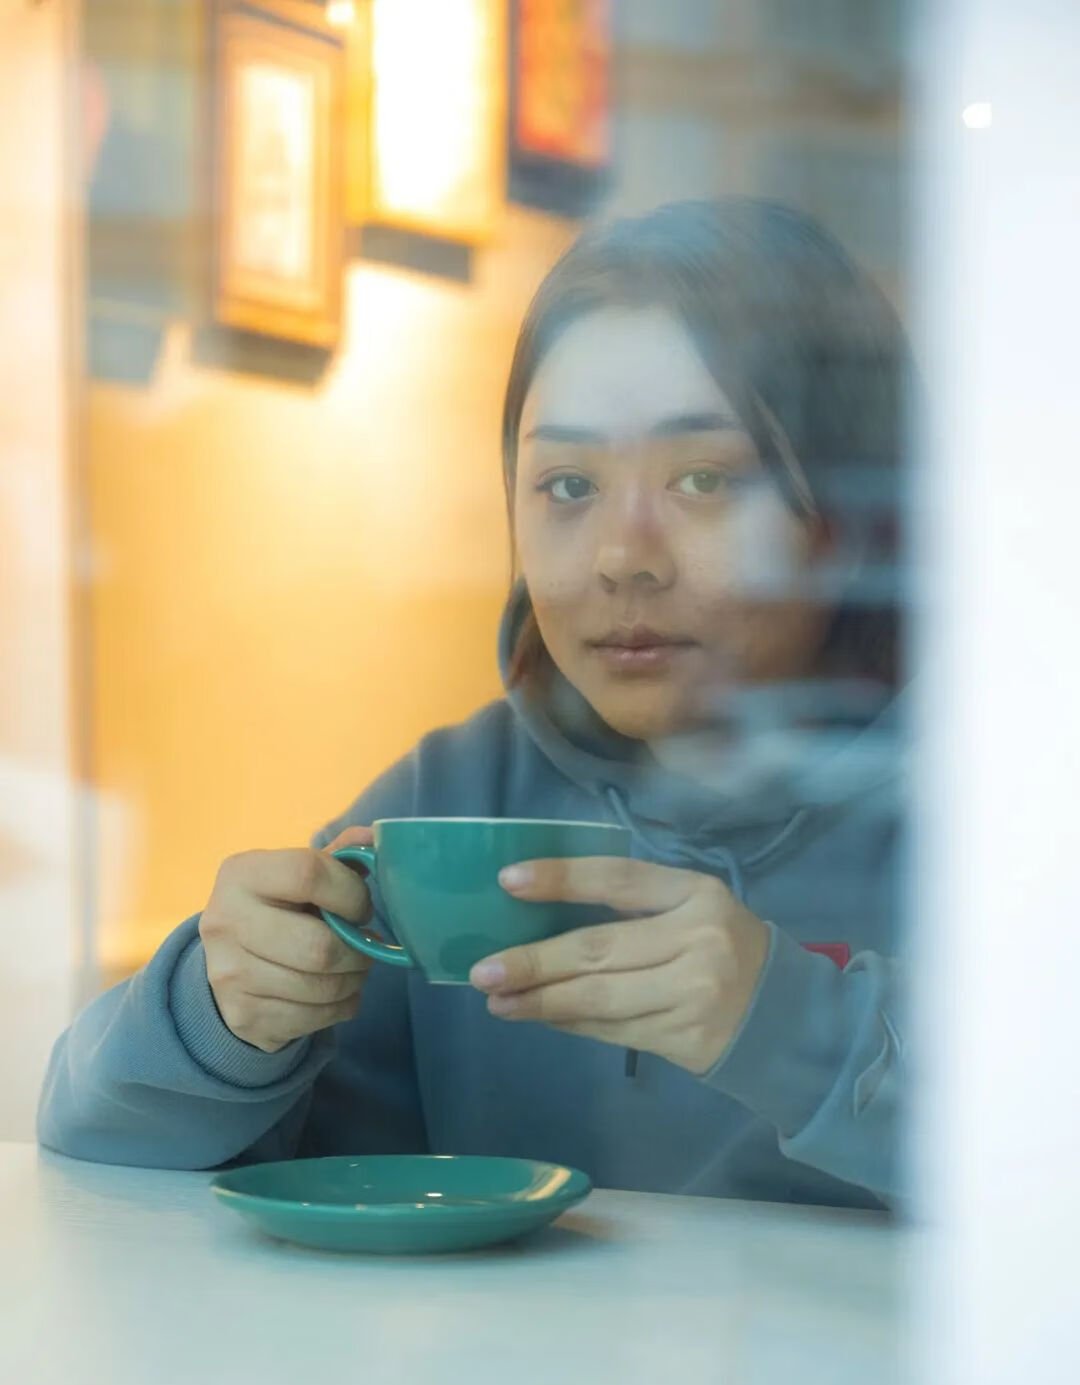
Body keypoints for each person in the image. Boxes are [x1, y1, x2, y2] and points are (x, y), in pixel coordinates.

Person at [38, 198, 909, 1208]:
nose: (624, 557)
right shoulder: (457, 793)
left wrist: (786, 1022)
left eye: (704, 477)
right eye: (569, 486)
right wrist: (218, 1016)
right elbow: (92, 1153)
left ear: (852, 519)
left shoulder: (997, 798)